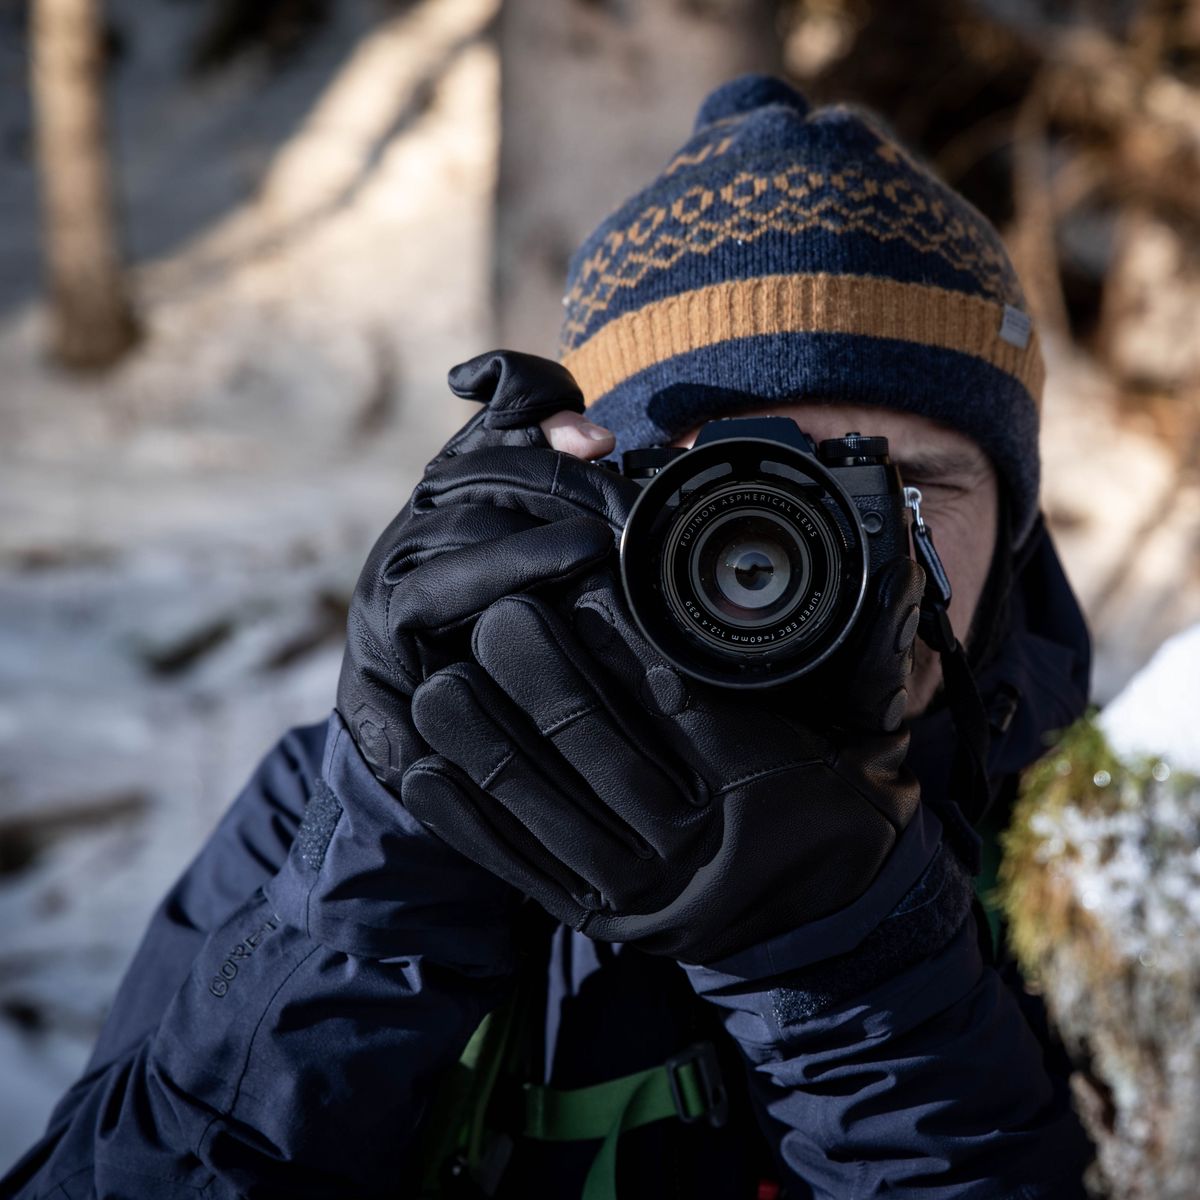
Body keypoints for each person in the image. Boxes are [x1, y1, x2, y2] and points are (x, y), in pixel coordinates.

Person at [2, 76, 1095, 1199]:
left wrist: (849, 949)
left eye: (903, 482)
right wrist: (399, 863)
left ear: (1016, 533)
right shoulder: (333, 809)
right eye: (731, 490)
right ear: (598, 496)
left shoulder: (1113, 862)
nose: (828, 555)